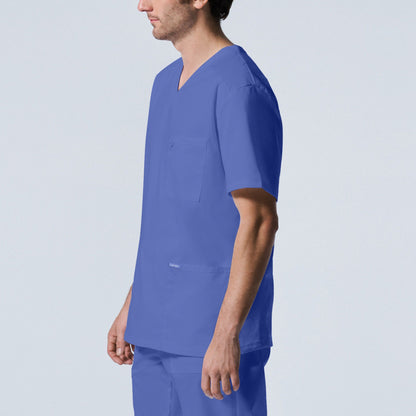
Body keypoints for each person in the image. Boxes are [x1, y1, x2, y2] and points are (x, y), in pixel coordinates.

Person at [107, 0, 283, 414]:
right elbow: (170, 215)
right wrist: (135, 303)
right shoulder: (164, 84)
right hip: (152, 331)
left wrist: (226, 335)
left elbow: (259, 220)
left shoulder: (239, 88)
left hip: (211, 337)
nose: (142, 5)